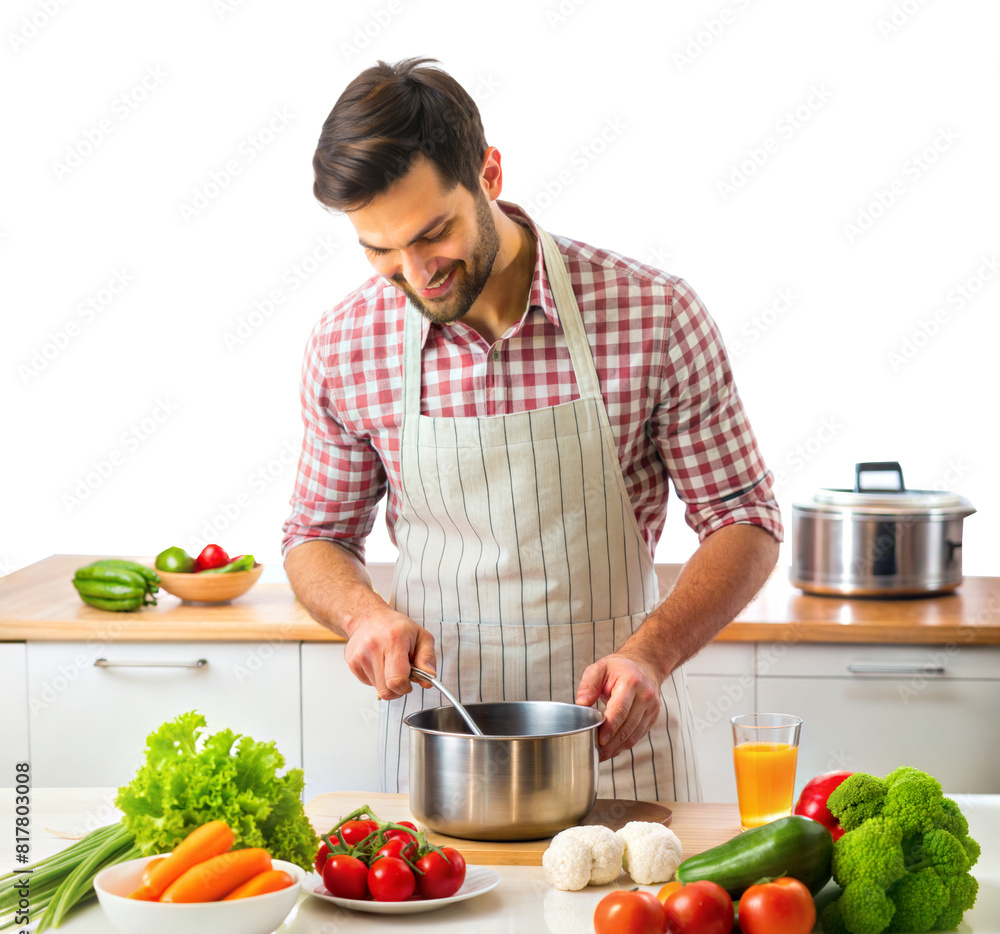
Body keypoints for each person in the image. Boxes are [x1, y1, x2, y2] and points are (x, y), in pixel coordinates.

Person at [282, 57, 782, 801]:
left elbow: (744, 519)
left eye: (432, 234)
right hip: (439, 754)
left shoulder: (654, 314)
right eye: (379, 250)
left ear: (489, 174)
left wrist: (652, 656)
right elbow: (315, 536)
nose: (415, 274)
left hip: (617, 752)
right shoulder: (346, 344)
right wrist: (363, 616)